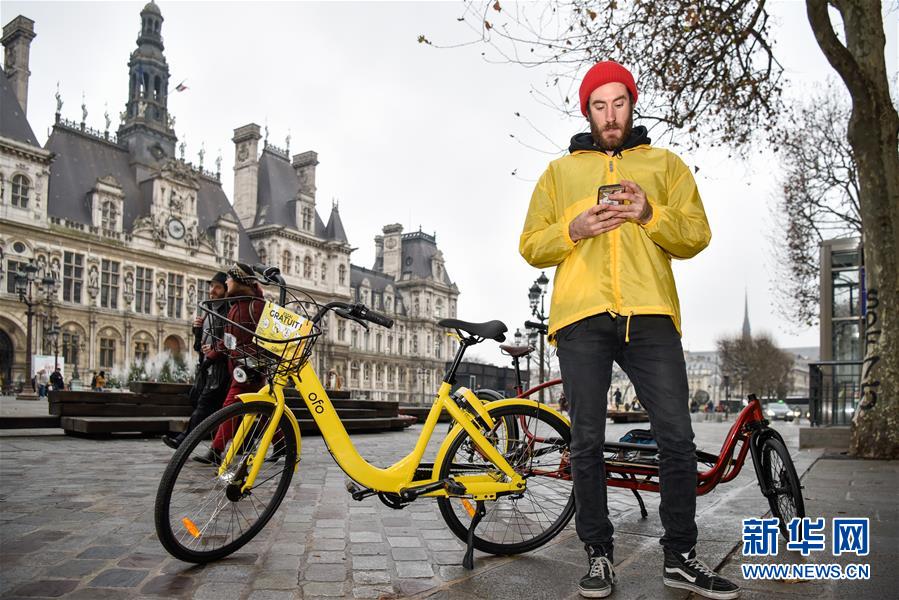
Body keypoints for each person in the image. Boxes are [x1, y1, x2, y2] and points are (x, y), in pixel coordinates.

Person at [519, 61, 739, 599]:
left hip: (651, 313)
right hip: (581, 316)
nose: (610, 115)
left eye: (619, 103)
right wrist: (573, 228)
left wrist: (650, 214)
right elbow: (531, 246)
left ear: (632, 104)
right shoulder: (558, 173)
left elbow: (696, 235)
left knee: (677, 437)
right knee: (587, 440)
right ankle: (598, 554)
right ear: (587, 112)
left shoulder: (666, 165)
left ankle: (680, 557)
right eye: (600, 105)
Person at [193, 263, 284, 464]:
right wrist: (211, 357)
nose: (226, 282)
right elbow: (229, 340)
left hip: (248, 368)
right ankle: (280, 442)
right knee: (261, 409)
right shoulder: (237, 306)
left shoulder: (255, 306)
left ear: (239, 281)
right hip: (243, 366)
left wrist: (251, 359)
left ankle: (216, 451)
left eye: (229, 279)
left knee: (229, 408)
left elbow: (268, 337)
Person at [162, 271, 230, 450]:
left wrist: (215, 349)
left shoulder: (228, 311)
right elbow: (198, 346)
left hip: (221, 369)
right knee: (204, 403)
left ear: (225, 290)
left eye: (217, 287)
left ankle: (183, 441)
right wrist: (197, 330)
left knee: (204, 405)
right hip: (207, 367)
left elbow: (230, 341)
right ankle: (243, 443)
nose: (212, 290)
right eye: (211, 286)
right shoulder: (208, 310)